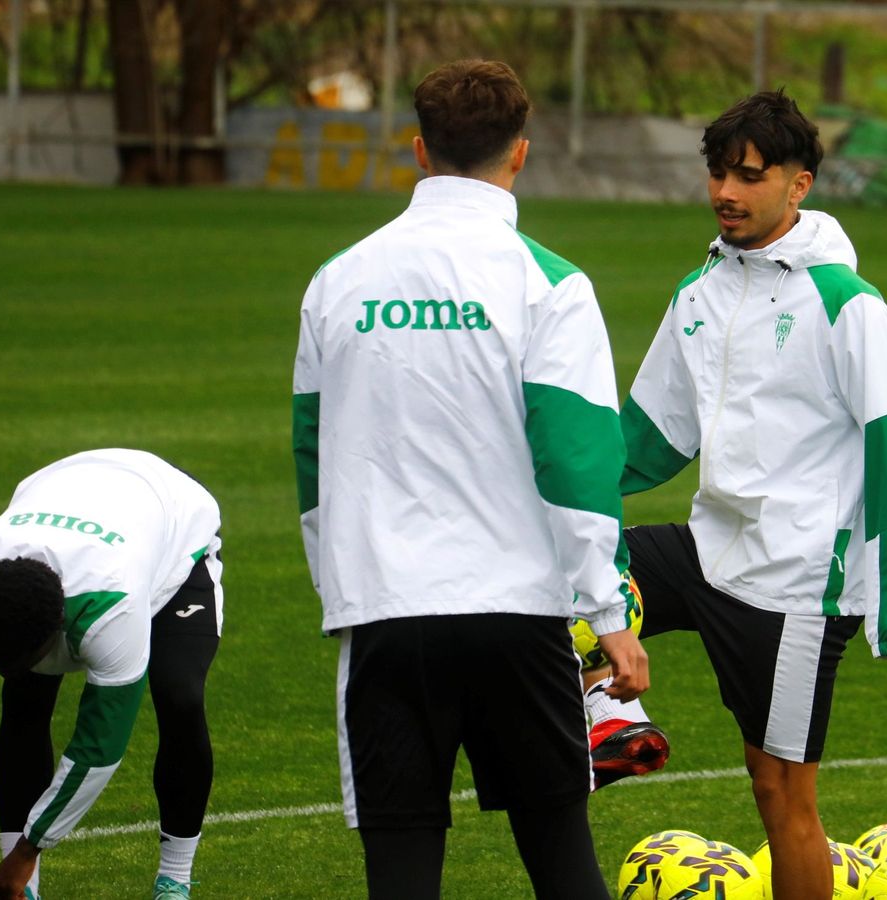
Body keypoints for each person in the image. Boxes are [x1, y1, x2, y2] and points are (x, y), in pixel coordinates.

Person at [291, 58, 648, 900]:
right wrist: (607, 613)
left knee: (402, 871)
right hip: (518, 614)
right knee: (562, 858)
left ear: (419, 149)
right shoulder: (550, 284)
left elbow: (312, 457)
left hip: (386, 611)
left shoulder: (339, 281)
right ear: (520, 153)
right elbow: (577, 461)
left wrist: (342, 588)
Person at [589, 89, 887, 899]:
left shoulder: (847, 304)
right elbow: (653, 434)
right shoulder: (699, 291)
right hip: (711, 550)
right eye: (718, 173)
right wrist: (559, 490)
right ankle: (611, 721)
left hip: (797, 586)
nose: (725, 192)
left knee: (779, 792)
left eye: (748, 176)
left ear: (799, 184)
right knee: (572, 565)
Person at [0, 449, 224, 900]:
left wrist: (27, 852)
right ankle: (26, 890)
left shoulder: (113, 607)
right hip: (69, 485)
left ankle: (174, 878)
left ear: (57, 631)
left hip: (171, 525)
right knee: (23, 698)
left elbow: (98, 747)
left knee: (180, 695)